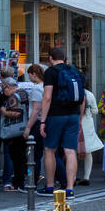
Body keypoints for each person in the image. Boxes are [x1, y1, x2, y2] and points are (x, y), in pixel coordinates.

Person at [38, 45, 84, 196]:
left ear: (50, 58)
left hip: (56, 115)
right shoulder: (75, 71)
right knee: (70, 151)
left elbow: (47, 97)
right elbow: (82, 99)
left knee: (49, 150)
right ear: (64, 58)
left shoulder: (50, 72)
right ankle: (70, 188)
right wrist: (80, 119)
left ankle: (50, 186)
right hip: (74, 116)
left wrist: (43, 121)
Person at [0, 78, 30, 192]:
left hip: (16, 132)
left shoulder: (14, 96)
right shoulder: (23, 92)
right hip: (23, 129)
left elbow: (17, 113)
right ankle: (22, 180)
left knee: (17, 158)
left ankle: (18, 183)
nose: (3, 92)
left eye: (3, 89)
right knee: (21, 157)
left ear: (9, 87)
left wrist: (4, 112)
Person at [77, 76, 101, 185]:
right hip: (87, 124)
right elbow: (95, 111)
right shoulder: (89, 94)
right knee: (88, 151)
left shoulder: (73, 93)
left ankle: (72, 176)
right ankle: (86, 177)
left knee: (72, 151)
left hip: (75, 124)